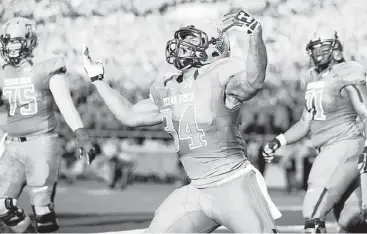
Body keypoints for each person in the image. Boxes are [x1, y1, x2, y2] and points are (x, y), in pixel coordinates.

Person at [82, 9, 281, 233]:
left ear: (214, 49)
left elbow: (254, 81)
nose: (183, 44)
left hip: (234, 185)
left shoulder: (220, 74)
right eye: (183, 39)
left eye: (192, 40)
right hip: (196, 190)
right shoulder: (169, 87)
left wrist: (255, 33)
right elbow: (129, 115)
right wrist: (97, 79)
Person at [262, 26, 367, 233]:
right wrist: (279, 141)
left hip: (344, 146)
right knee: (350, 219)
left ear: (336, 47)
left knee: (312, 213)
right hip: (327, 148)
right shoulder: (312, 77)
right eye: (315, 48)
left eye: (324, 47)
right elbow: (304, 122)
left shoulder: (347, 72)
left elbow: (365, 113)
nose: (319, 52)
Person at [0, 17, 96, 233]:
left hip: (40, 143)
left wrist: (81, 135)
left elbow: (65, 104)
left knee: (42, 209)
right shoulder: (3, 69)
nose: (12, 47)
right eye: (8, 41)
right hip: (13, 146)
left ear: (30, 40)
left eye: (17, 41)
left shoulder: (46, 66)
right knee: (1, 205)